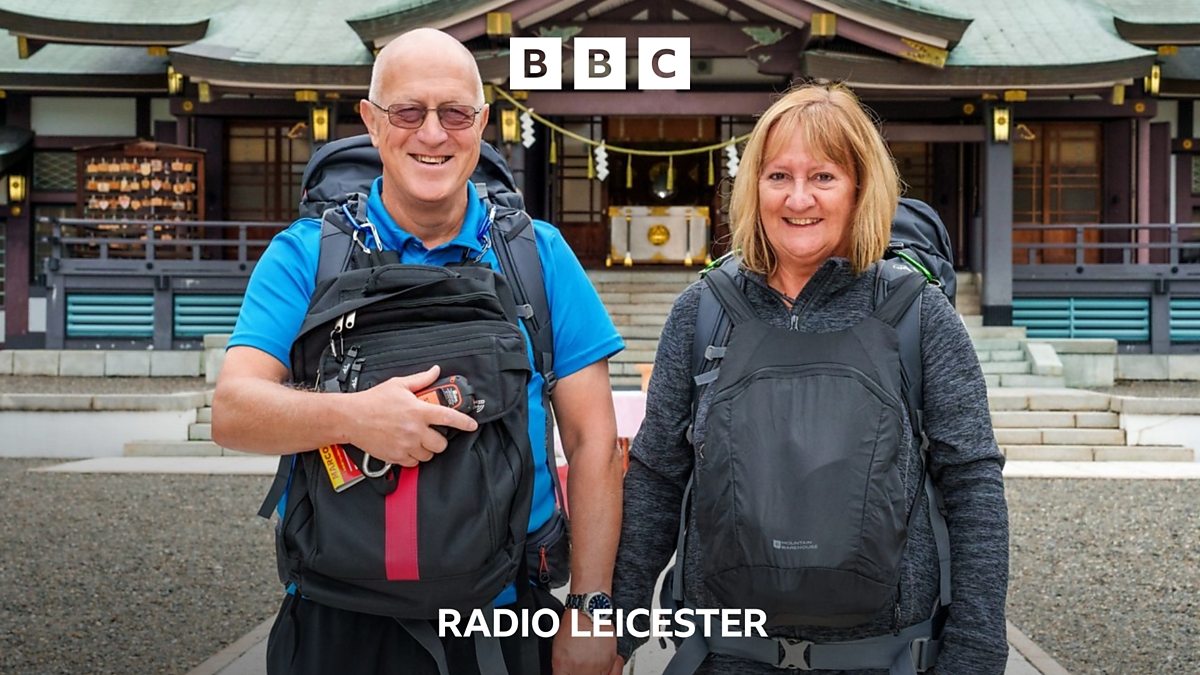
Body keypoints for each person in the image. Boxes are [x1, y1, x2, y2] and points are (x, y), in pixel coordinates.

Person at [212, 27, 623, 675]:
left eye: (455, 113)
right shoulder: (308, 254)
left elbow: (594, 438)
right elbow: (234, 409)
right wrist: (352, 417)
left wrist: (594, 606)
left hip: (506, 612)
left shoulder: (534, 256)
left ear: (483, 124)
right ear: (372, 123)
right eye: (408, 111)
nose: (433, 133)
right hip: (339, 615)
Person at [610, 82, 1009, 673]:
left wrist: (976, 649)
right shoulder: (703, 312)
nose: (799, 200)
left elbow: (972, 482)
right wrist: (618, 628)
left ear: (859, 189)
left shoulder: (917, 315)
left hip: (885, 656)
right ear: (754, 188)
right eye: (779, 177)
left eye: (823, 177)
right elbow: (657, 479)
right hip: (725, 655)